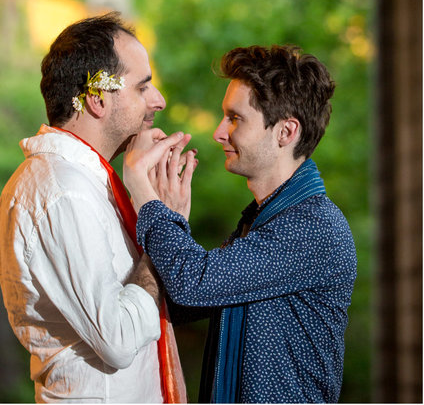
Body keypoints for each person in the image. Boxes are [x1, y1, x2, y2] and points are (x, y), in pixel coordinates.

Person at [124, 45, 357, 403]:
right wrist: (169, 214)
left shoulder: (313, 226)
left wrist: (144, 193)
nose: (219, 132)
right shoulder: (264, 220)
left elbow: (193, 284)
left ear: (286, 132)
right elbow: (182, 302)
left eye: (235, 118)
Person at [0, 13, 191, 403]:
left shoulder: (86, 183)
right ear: (98, 98)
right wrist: (161, 232)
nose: (159, 101)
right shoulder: (62, 191)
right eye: (143, 87)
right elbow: (117, 338)